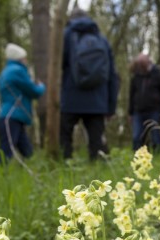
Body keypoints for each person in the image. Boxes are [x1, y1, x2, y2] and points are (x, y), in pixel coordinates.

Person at [60, 8, 118, 160]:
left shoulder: (66, 36)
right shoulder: (102, 39)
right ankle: (99, 175)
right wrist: (110, 107)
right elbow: (112, 75)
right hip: (97, 101)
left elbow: (57, 65)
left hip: (71, 97)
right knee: (96, 141)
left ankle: (65, 168)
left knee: (65, 137)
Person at [0, 43, 45, 161]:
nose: (26, 60)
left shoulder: (6, 71)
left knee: (27, 151)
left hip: (13, 115)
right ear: (19, 59)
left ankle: (34, 173)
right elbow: (33, 91)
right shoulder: (17, 71)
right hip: (12, 115)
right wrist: (41, 86)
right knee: (6, 151)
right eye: (24, 58)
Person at [128, 53, 160, 151]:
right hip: (138, 111)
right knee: (137, 136)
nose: (141, 68)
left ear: (148, 62)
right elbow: (132, 95)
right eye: (139, 65)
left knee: (156, 135)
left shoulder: (158, 75)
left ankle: (159, 156)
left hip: (154, 110)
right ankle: (138, 158)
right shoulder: (136, 77)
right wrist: (130, 113)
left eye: (142, 65)